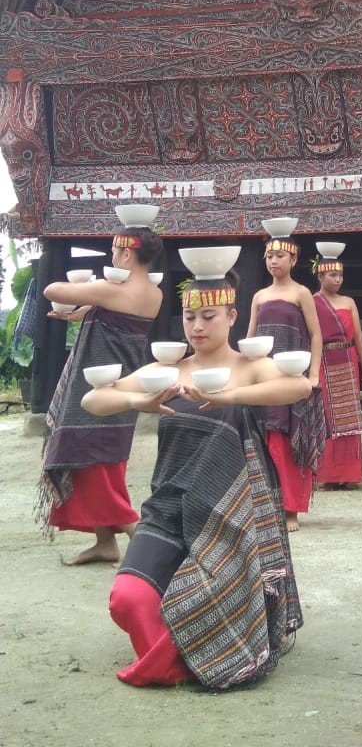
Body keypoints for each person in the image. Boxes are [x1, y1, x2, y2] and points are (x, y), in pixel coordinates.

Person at [81, 271, 310, 688]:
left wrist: (226, 397)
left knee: (205, 597)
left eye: (209, 316)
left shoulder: (250, 366)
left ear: (232, 316)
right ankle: (176, 662)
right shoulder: (168, 370)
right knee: (127, 599)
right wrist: (139, 401)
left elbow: (299, 387)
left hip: (228, 513)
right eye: (189, 317)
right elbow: (93, 398)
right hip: (169, 507)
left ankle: (206, 648)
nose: (198, 326)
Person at [38, 223, 163, 565]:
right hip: (123, 386)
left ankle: (148, 549)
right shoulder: (153, 292)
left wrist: (86, 289)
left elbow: (52, 288)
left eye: (114, 251)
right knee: (104, 466)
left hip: (98, 390)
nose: (112, 256)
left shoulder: (111, 288)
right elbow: (117, 319)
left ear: (126, 253)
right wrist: (87, 311)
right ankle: (105, 543)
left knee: (93, 466)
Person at [246, 224, 325, 530]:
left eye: (279, 255)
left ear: (293, 260)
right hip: (264, 377)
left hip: (292, 374)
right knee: (263, 442)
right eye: (269, 256)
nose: (273, 261)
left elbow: (316, 336)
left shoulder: (301, 293)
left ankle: (290, 508)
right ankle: (266, 508)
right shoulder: (259, 296)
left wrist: (313, 373)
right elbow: (250, 337)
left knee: (287, 442)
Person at [312, 244, 362, 490]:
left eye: (340, 275)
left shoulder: (349, 302)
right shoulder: (312, 302)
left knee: (349, 417)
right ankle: (327, 475)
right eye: (332, 275)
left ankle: (350, 474)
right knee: (327, 416)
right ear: (320, 276)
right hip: (324, 362)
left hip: (347, 359)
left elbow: (359, 336)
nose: (337, 279)